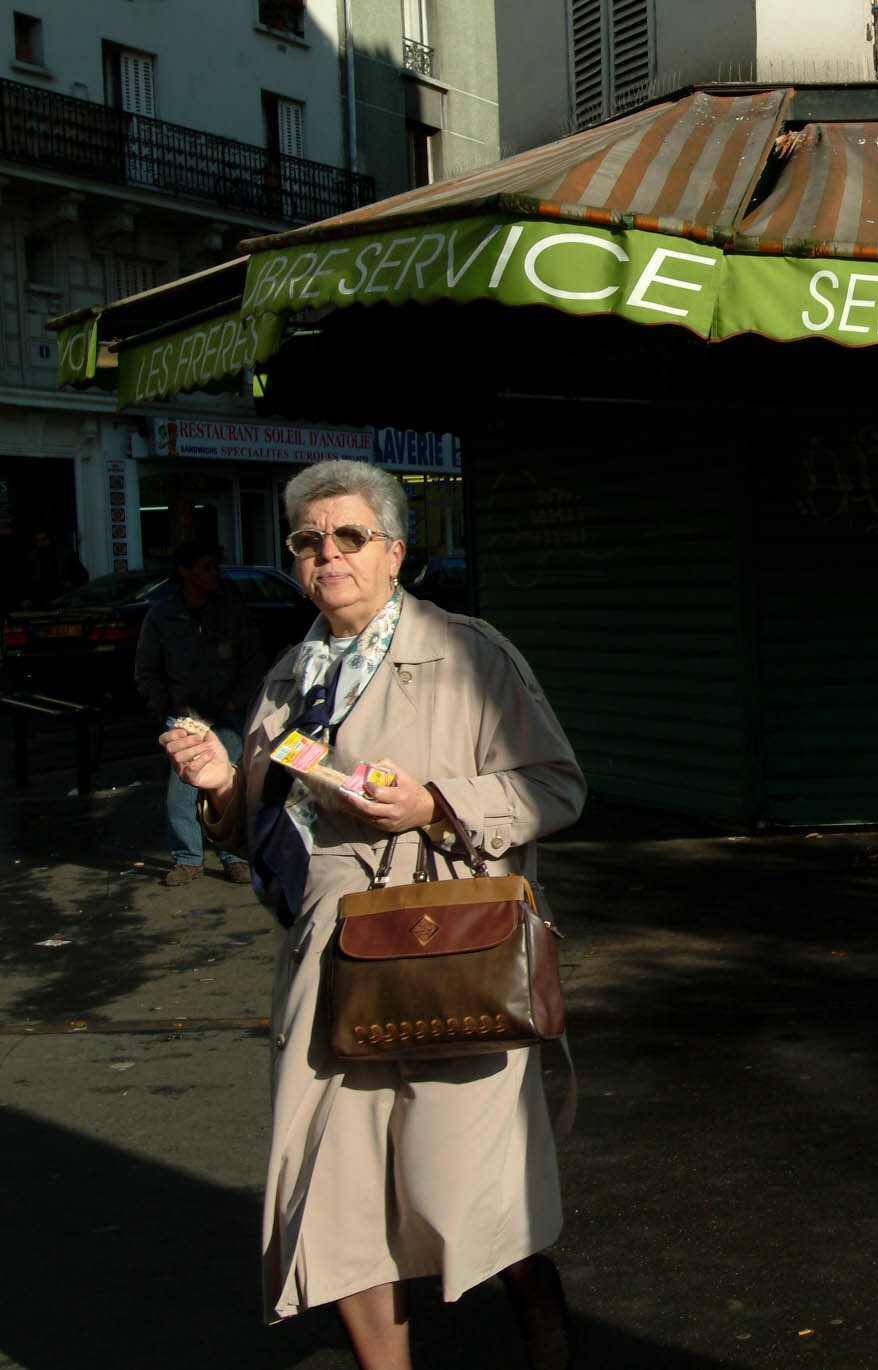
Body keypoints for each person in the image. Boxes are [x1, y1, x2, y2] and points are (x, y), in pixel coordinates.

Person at [157, 459, 584, 1369]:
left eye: (351, 536)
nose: (329, 555)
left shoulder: (470, 653)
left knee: (465, 1188)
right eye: (309, 541)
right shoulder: (289, 677)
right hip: (329, 960)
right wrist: (222, 786)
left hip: (449, 946)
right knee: (335, 1197)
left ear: (395, 551)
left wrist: (436, 803)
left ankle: (546, 1328)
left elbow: (557, 786)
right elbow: (264, 826)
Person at [135, 541, 265, 886]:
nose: (213, 574)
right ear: (185, 571)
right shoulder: (162, 615)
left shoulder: (231, 612)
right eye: (205, 567)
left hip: (227, 716)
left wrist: (237, 701)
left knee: (230, 783)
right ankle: (187, 860)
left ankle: (235, 857)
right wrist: (164, 706)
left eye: (214, 567)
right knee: (181, 790)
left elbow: (253, 661)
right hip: (184, 718)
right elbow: (146, 669)